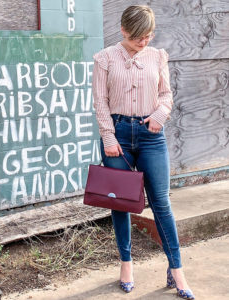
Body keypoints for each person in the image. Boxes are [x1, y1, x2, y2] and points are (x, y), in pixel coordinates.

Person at [92, 5, 195, 299]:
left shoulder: (157, 56)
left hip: (152, 136)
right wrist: (109, 137)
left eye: (149, 35)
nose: (144, 41)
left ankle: (176, 270)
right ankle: (126, 264)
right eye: (139, 36)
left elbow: (166, 95)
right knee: (121, 202)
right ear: (124, 30)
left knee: (161, 203)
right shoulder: (105, 59)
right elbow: (100, 102)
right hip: (118, 136)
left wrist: (160, 116)